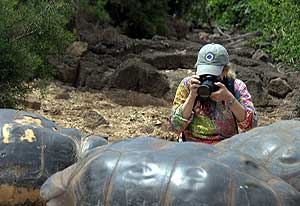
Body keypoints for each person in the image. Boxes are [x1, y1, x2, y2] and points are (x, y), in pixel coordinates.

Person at [169, 43, 258, 144]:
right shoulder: (188, 85)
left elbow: (251, 126)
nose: (208, 78)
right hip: (192, 147)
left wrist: (229, 98)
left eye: (213, 75)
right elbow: (175, 126)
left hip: (225, 147)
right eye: (204, 74)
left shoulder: (236, 86)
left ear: (225, 70)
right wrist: (191, 97)